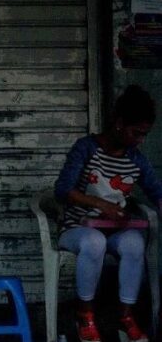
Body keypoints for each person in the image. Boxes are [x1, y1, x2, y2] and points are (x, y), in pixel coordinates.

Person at [54, 85, 162, 342]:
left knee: (135, 243)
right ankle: (85, 316)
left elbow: (156, 191)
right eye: (136, 133)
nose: (140, 140)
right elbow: (62, 190)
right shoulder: (86, 148)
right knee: (94, 241)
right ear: (119, 123)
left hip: (114, 229)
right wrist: (101, 204)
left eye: (144, 135)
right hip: (77, 228)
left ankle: (125, 317)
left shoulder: (136, 160)